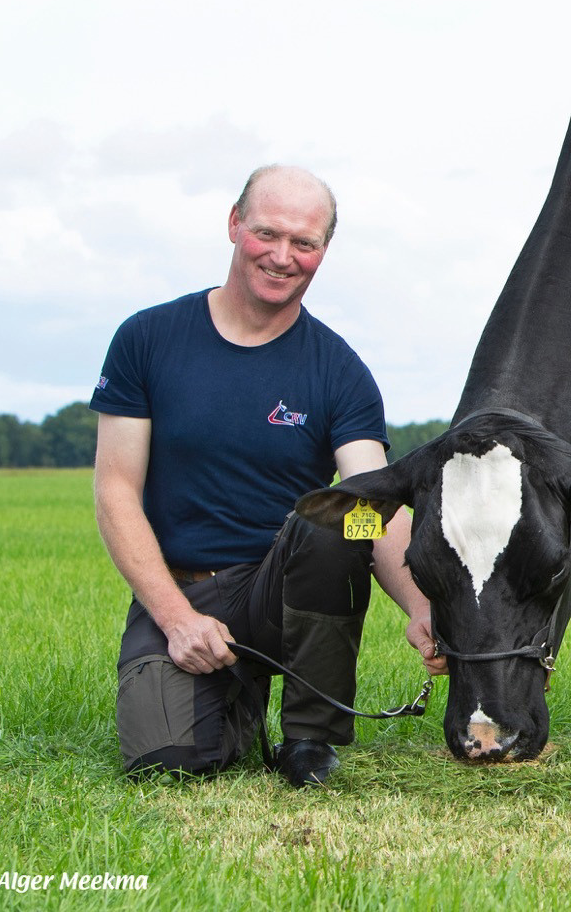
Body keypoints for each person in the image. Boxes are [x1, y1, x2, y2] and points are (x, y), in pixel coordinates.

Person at [91, 164, 446, 787]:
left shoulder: (340, 371)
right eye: (267, 234)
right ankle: (238, 699)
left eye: (304, 243)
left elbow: (378, 506)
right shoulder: (146, 339)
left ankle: (311, 737)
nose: (283, 257)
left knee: (339, 515)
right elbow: (115, 491)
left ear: (323, 252)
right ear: (234, 225)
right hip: (186, 589)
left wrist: (422, 607)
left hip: (286, 589)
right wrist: (176, 619)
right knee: (169, 765)